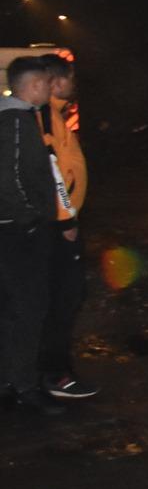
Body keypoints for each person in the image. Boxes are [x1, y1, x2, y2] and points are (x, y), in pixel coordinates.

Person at [0, 56, 64, 415]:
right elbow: (8, 178)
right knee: (29, 309)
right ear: (33, 85)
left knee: (11, 309)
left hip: (12, 230)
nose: (48, 88)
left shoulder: (17, 119)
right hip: (17, 233)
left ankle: (10, 381)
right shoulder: (16, 121)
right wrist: (31, 218)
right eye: (44, 82)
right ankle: (24, 385)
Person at [39, 55, 94, 400]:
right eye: (69, 78)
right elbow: (54, 173)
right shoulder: (46, 117)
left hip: (61, 223)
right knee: (63, 299)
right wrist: (66, 221)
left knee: (65, 299)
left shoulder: (55, 114)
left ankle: (54, 369)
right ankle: (55, 374)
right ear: (57, 82)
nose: (73, 83)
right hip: (59, 227)